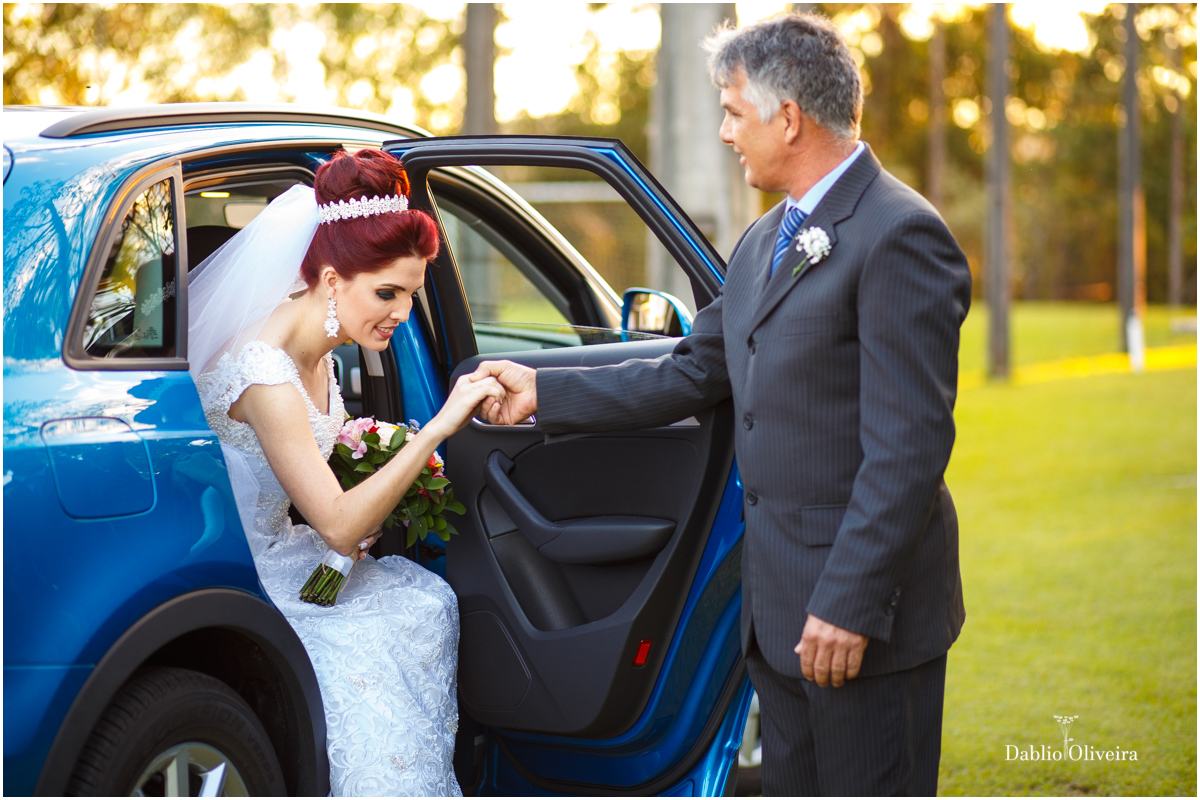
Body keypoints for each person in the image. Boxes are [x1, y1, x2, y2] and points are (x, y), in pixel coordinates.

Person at [473, 12, 971, 797]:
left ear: (789, 118)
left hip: (862, 620)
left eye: (734, 112)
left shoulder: (901, 236)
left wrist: (847, 603)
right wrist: (545, 390)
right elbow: (692, 370)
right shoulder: (764, 239)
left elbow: (907, 449)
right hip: (775, 618)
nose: (725, 130)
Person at [188, 149, 503, 796]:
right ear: (332, 282)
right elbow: (335, 525)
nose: (401, 313)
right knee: (376, 630)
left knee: (423, 600)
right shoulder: (266, 372)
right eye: (387, 293)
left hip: (288, 551)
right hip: (242, 572)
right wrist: (440, 428)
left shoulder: (321, 351)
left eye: (411, 294)